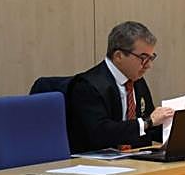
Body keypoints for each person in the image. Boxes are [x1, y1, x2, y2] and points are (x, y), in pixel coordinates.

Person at [66, 21, 173, 152]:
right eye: (143, 58)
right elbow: (100, 133)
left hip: (134, 159)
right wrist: (148, 122)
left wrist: (176, 128)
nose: (149, 65)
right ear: (118, 56)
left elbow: (149, 128)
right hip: (96, 162)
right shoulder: (87, 86)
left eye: (151, 58)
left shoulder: (137, 81)